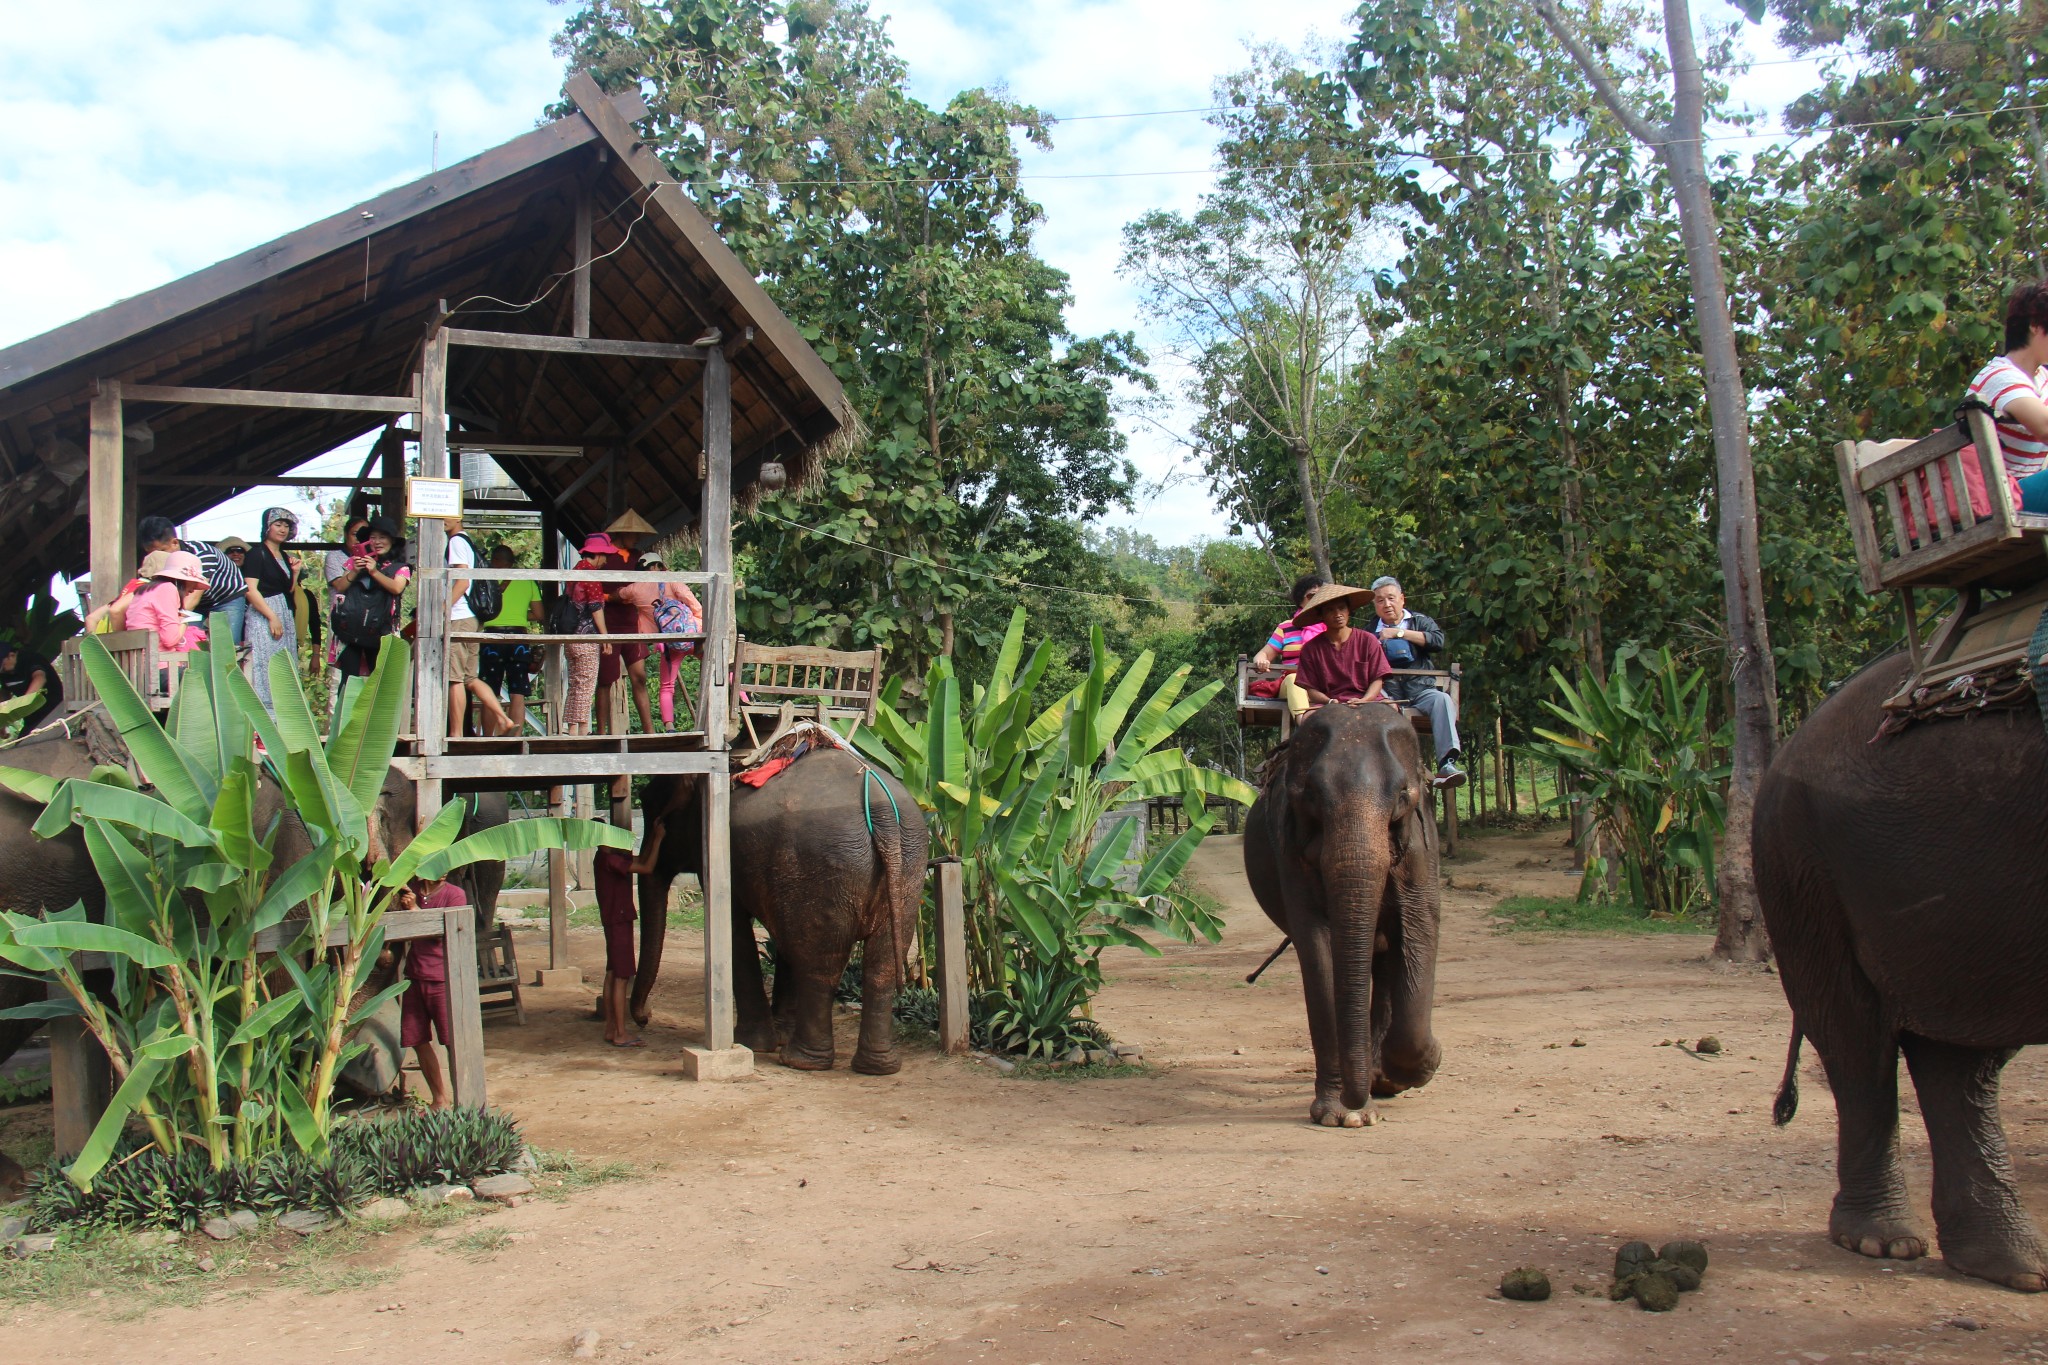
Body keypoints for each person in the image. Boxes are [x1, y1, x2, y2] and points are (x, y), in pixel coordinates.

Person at [1369, 576, 1465, 787]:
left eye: (1391, 598)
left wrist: (1400, 633)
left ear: (1402, 599)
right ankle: (1377, 769)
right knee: (1369, 710)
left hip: (1421, 689)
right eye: (1380, 600)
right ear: (1374, 605)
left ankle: (1447, 764)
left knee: (1442, 700)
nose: (1387, 604)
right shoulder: (1370, 630)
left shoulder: (1420, 620)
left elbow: (1438, 641)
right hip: (1387, 693)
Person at [137, 516, 284, 647]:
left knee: (227, 646)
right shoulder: (160, 563)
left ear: (175, 543)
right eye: (151, 553)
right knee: (189, 643)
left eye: (161, 551)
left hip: (227, 597)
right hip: (196, 602)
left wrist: (172, 621)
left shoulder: (202, 554)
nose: (156, 557)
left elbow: (194, 596)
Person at [1968, 280, 2048, 511]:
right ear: (2035, 325)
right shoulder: (2001, 375)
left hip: (2020, 494)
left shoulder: (2041, 378)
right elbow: (2045, 427)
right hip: (2000, 497)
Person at [592, 817, 668, 1047]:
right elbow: (647, 867)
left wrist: (653, 836)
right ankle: (620, 1033)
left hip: (613, 920)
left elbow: (639, 859)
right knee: (622, 977)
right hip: (619, 920)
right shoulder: (610, 860)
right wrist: (658, 839)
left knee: (612, 973)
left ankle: (610, 1029)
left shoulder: (604, 858)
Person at [394, 874, 467, 1109]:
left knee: (451, 1042)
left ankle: (462, 1101)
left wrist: (414, 909)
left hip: (442, 978)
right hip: (414, 977)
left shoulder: (454, 894)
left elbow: (442, 932)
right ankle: (439, 1098)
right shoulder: (410, 889)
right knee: (417, 1039)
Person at [442, 514, 513, 739]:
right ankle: (503, 718)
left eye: (447, 515)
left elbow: (462, 582)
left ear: (458, 517)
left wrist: (443, 608)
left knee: (455, 679)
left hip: (459, 616)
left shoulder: (455, 542)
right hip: (473, 617)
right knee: (470, 679)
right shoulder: (468, 542)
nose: (442, 520)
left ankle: (455, 735)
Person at [330, 516, 410, 694]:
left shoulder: (400, 567)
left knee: (380, 684)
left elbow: (397, 588)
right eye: (373, 537)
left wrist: (373, 571)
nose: (377, 542)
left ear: (391, 541)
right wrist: (356, 570)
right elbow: (340, 588)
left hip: (381, 631)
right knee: (348, 683)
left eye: (383, 537)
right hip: (351, 630)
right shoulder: (354, 562)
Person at [1291, 582, 1391, 708]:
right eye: (1330, 610)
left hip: (1370, 701)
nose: (1338, 614)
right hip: (1329, 704)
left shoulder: (1367, 640)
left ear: (1349, 610)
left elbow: (1378, 679)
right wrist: (1330, 702)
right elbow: (1310, 688)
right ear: (1321, 615)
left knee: (1393, 714)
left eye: (1342, 608)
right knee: (1307, 720)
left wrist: (1365, 700)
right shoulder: (1311, 648)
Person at [478, 543, 543, 734]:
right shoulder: (527, 581)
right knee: (518, 691)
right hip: (518, 637)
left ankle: (488, 738)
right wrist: (521, 614)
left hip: (492, 637)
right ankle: (515, 738)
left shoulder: (487, 581)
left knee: (490, 690)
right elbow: (539, 614)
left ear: (496, 561)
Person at [243, 509, 301, 713]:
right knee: (263, 665)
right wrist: (271, 616)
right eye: (278, 524)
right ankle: (265, 718)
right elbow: (250, 590)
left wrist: (295, 573)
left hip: (284, 612)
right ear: (267, 527)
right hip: (264, 614)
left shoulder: (284, 556)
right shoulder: (256, 554)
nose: (283, 529)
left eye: (286, 525)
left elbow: (289, 590)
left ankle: (285, 716)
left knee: (284, 668)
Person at [1250, 573, 1328, 720]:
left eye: (1321, 595)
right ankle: (1304, 724)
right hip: (1294, 684)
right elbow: (1263, 654)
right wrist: (1261, 660)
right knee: (1295, 679)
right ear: (1300, 600)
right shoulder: (1286, 627)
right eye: (1311, 596)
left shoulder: (1331, 626)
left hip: (1325, 683)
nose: (1317, 599)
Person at [642, 552, 704, 731]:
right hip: (694, 637)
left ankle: (669, 726)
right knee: (720, 667)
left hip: (670, 643)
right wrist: (696, 624)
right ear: (659, 566)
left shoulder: (641, 588)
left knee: (667, 685)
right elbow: (695, 605)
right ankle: (745, 698)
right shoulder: (673, 581)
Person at [563, 534, 617, 736]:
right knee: (586, 684)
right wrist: (605, 636)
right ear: (597, 554)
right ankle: (583, 729)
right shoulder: (591, 576)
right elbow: (595, 607)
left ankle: (572, 728)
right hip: (586, 636)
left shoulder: (574, 573)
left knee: (575, 683)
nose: (605, 560)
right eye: (604, 555)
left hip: (569, 638)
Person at [124, 551, 211, 656]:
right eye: (193, 582)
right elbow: (170, 640)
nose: (193, 590)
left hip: (139, 661)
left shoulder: (145, 589)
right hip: (161, 663)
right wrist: (184, 621)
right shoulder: (167, 589)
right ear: (181, 579)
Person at [324, 515, 370, 711]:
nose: (359, 539)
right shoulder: (335, 557)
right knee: (339, 678)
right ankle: (336, 729)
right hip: (342, 624)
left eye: (364, 535)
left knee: (366, 679)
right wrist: (356, 568)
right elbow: (340, 585)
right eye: (355, 534)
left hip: (368, 626)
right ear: (345, 534)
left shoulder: (374, 560)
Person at [0, 640, 63, 733]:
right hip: (32, 718)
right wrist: (3, 723)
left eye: (2, 666)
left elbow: (39, 678)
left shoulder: (31, 659)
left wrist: (25, 702)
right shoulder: (4, 673)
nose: (2, 671)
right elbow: (5, 693)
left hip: (55, 711)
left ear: (11, 655)